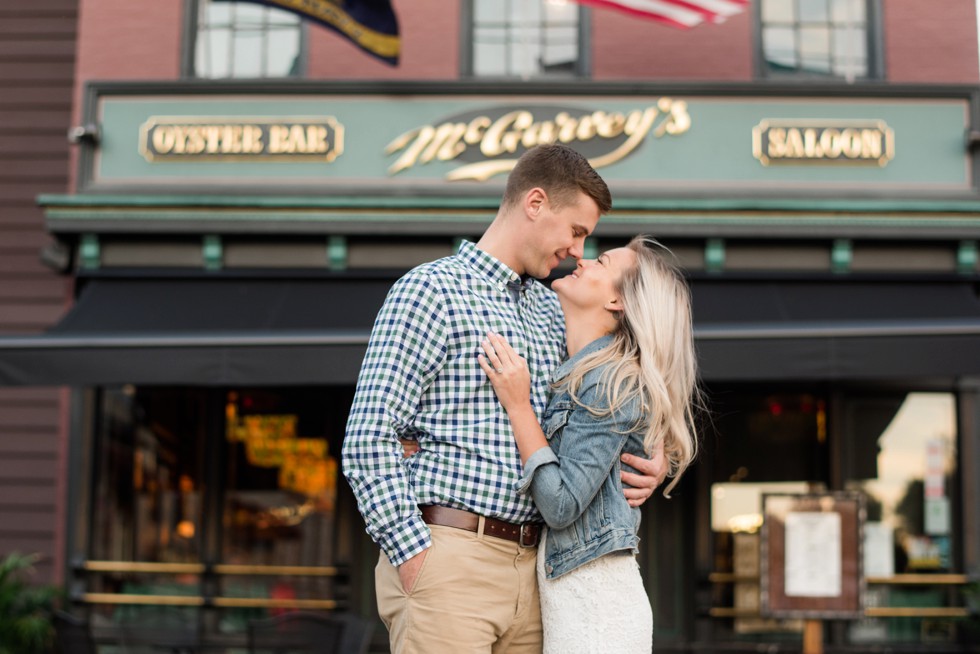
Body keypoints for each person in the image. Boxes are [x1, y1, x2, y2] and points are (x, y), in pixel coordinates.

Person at [342, 144, 666, 654]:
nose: (578, 250)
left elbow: (626, 376)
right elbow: (370, 436)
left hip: (542, 573)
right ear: (535, 203)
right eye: (577, 231)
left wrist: (658, 452)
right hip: (450, 560)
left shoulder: (554, 308)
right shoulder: (431, 290)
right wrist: (413, 555)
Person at [477, 235, 700, 654]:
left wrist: (518, 405)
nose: (582, 259)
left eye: (602, 262)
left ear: (617, 301)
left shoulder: (608, 382)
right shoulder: (580, 371)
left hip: (596, 610)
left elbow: (561, 505)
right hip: (575, 599)